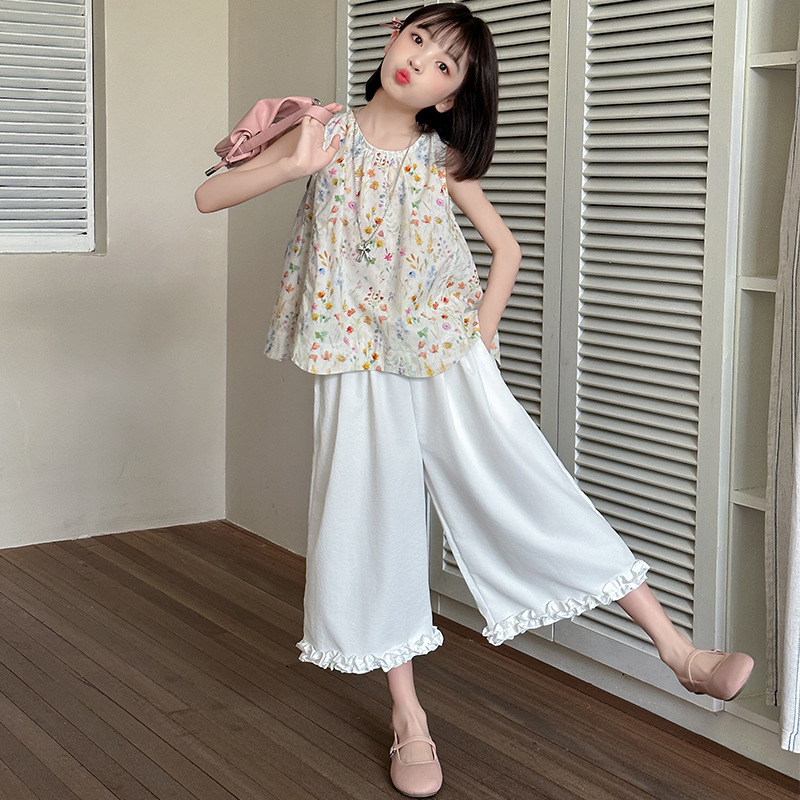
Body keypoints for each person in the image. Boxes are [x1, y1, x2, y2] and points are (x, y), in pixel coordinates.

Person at [196, 4, 754, 796]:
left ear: (450, 95)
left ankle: (679, 652)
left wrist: (484, 327)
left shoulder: (441, 157)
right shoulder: (323, 131)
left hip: (444, 350)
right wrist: (291, 167)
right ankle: (408, 718)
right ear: (393, 35)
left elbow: (507, 249)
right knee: (369, 520)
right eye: (418, 38)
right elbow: (208, 197)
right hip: (353, 356)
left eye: (444, 63)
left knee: (526, 477)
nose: (419, 59)